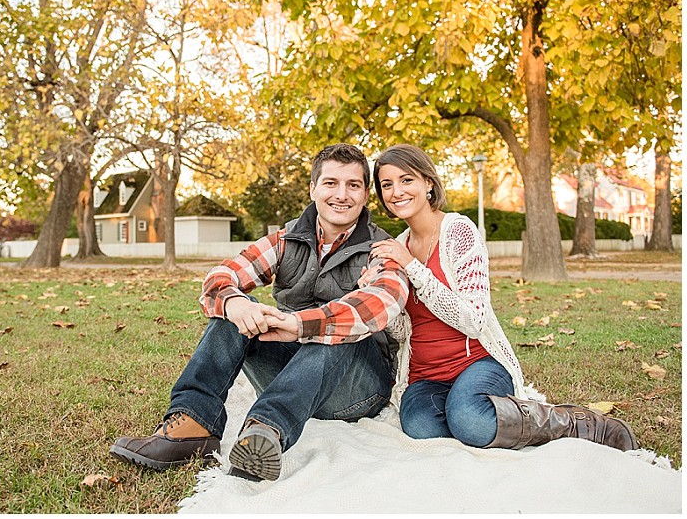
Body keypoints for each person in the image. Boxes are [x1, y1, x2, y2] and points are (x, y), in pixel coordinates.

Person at [110, 143, 409, 481]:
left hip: (356, 390)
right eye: (330, 183)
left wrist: (299, 325)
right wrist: (233, 302)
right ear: (313, 189)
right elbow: (221, 277)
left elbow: (383, 303)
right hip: (292, 374)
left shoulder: (380, 248)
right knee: (236, 309)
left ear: (365, 194)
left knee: (343, 325)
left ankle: (264, 433)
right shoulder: (286, 239)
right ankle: (194, 425)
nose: (341, 194)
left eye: (353, 185)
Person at [362, 143, 637, 452]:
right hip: (425, 375)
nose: (396, 191)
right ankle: (472, 415)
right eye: (387, 184)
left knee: (470, 420)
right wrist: (376, 300)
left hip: (477, 363)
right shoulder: (399, 246)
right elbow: (405, 330)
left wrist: (412, 266)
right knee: (421, 429)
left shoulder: (458, 232)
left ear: (428, 183)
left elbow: (474, 321)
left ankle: (570, 421)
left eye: (406, 179)